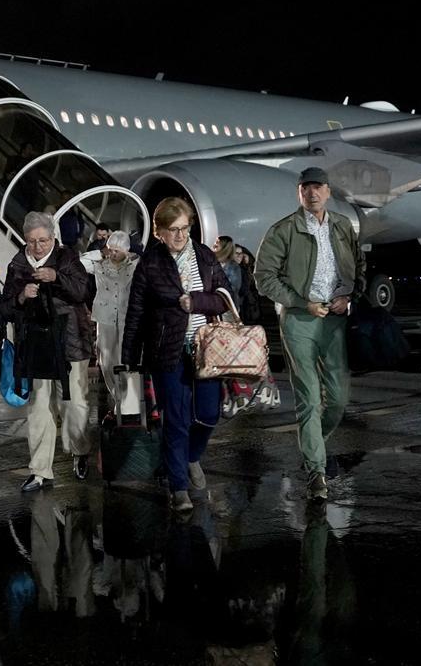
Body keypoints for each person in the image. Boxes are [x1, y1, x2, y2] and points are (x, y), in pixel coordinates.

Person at [254, 167, 365, 501]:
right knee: (309, 396)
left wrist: (350, 296)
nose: (312, 194)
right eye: (306, 188)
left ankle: (313, 442)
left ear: (328, 192)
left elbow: (359, 268)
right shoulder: (284, 230)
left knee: (338, 399)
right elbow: (264, 277)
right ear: (299, 193)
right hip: (300, 320)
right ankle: (316, 471)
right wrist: (301, 302)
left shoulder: (343, 227)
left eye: (318, 188)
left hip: (334, 318)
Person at [121, 197, 230, 511]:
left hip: (206, 348)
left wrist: (196, 303)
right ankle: (178, 486)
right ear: (159, 232)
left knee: (209, 413)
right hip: (166, 350)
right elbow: (136, 313)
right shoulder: (150, 264)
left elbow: (224, 297)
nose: (181, 236)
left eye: (185, 228)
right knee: (177, 419)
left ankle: (191, 457)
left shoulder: (204, 255)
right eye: (174, 230)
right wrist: (129, 357)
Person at [0, 212, 94, 492]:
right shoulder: (17, 264)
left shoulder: (67, 258)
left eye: (43, 240)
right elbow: (4, 307)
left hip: (71, 341)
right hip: (36, 344)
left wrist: (56, 277)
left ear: (53, 237)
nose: (38, 246)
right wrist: (20, 296)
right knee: (39, 406)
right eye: (32, 241)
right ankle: (40, 470)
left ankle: (80, 451)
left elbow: (82, 292)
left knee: (75, 403)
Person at [86, 231, 143, 415]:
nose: (113, 254)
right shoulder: (99, 264)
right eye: (110, 250)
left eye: (117, 250)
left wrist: (134, 254)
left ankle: (130, 406)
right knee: (106, 360)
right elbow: (78, 263)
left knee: (127, 360)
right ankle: (118, 399)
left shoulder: (135, 265)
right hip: (105, 317)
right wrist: (100, 253)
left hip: (128, 318)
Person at [214, 236, 244, 308]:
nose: (214, 245)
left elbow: (233, 289)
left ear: (224, 247)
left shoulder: (233, 267)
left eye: (217, 244)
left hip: (228, 306)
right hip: (213, 304)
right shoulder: (211, 262)